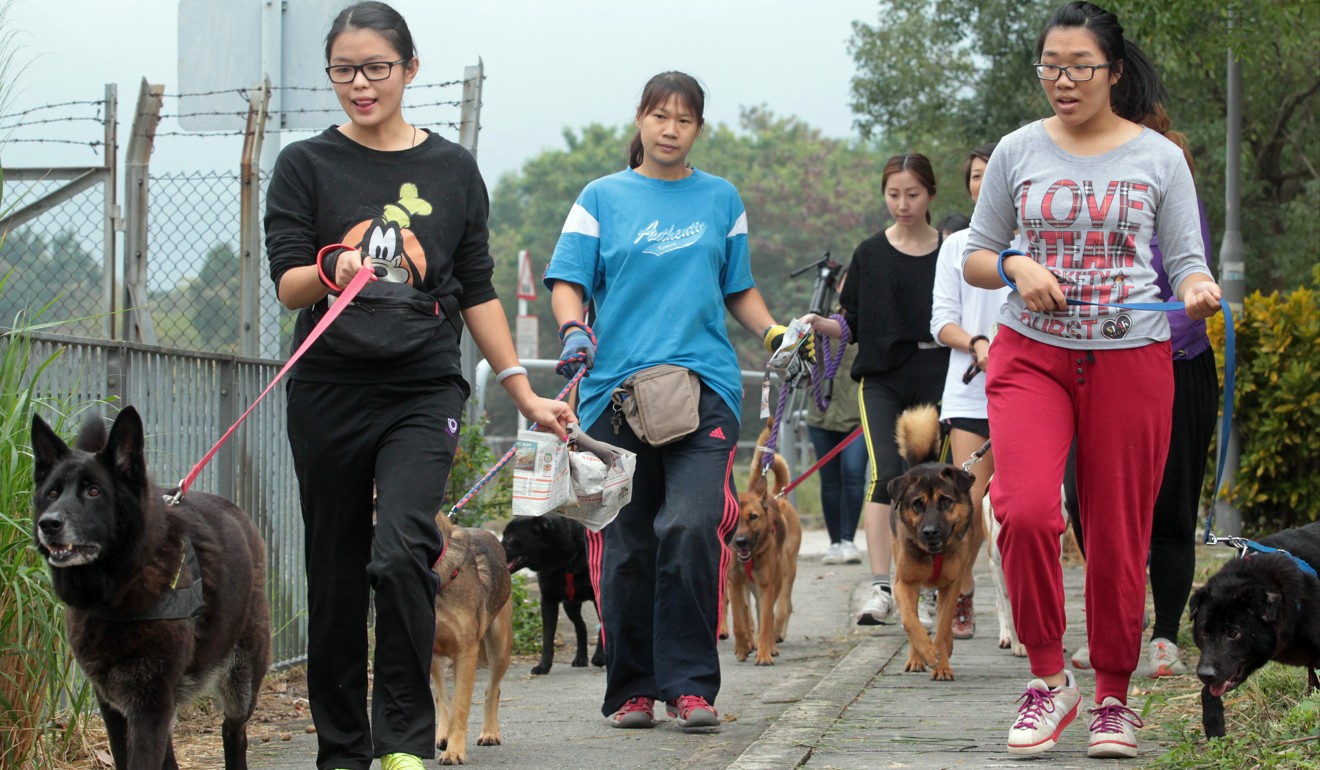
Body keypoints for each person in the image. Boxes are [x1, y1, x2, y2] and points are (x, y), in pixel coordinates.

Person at [263, 4, 572, 768]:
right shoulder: (305, 165)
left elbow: (477, 290)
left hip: (421, 389)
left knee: (403, 551)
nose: (360, 85)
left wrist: (522, 391)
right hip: (328, 389)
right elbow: (288, 285)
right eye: (344, 70)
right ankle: (343, 749)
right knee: (335, 574)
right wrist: (334, 265)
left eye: (375, 68)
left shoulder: (452, 170)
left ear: (409, 69)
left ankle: (403, 743)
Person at [961, 1, 1221, 759]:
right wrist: (1017, 264)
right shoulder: (1016, 150)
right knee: (1026, 509)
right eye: (1051, 67)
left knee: (1117, 535)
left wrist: (1200, 287)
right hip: (1031, 354)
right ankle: (1049, 678)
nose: (1063, 81)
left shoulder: (1158, 158)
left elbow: (1185, 259)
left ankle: (1114, 694)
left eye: (1079, 67)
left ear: (1112, 70)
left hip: (1131, 359)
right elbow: (977, 253)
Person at [544, 71, 794, 732]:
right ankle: (631, 688)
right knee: (626, 545)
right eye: (659, 116)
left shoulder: (720, 199)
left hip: (703, 389)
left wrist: (773, 332)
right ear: (641, 119)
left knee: (687, 526)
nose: (670, 128)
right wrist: (574, 328)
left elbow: (738, 287)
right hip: (611, 396)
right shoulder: (600, 198)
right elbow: (567, 280)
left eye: (684, 119)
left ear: (698, 129)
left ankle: (690, 686)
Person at [1065, 103, 1220, 678]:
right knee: (1086, 501)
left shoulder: (1170, 174)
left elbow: (1190, 272)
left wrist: (1142, 328)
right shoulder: (1074, 190)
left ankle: (1163, 635)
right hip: (1089, 362)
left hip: (1174, 363)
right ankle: (1109, 628)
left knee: (1170, 507)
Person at [801, 152, 949, 626]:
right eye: (893, 195)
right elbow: (852, 323)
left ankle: (929, 591)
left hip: (936, 374)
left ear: (929, 195)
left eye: (912, 195)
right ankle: (883, 587)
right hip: (882, 377)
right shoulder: (869, 253)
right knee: (886, 475)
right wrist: (817, 324)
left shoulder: (952, 251)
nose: (902, 204)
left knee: (935, 481)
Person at [929, 142, 1023, 639]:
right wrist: (978, 343)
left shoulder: (1034, 243)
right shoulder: (955, 245)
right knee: (969, 509)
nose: (982, 184)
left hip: (1030, 391)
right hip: (969, 393)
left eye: (992, 175)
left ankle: (1027, 605)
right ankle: (962, 594)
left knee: (1023, 507)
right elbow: (942, 320)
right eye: (975, 176)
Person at [805, 291, 867, 565]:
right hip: (822, 414)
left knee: (853, 475)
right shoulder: (818, 315)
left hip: (857, 416)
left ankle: (848, 539)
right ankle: (833, 543)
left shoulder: (865, 318)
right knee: (829, 482)